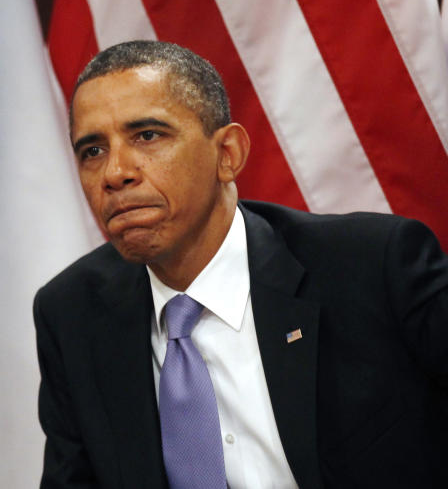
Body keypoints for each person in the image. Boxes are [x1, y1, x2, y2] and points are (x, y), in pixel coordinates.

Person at [34, 40, 448, 488]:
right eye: (92, 150)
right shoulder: (73, 313)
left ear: (227, 154)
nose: (115, 173)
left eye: (147, 136)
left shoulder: (372, 266)